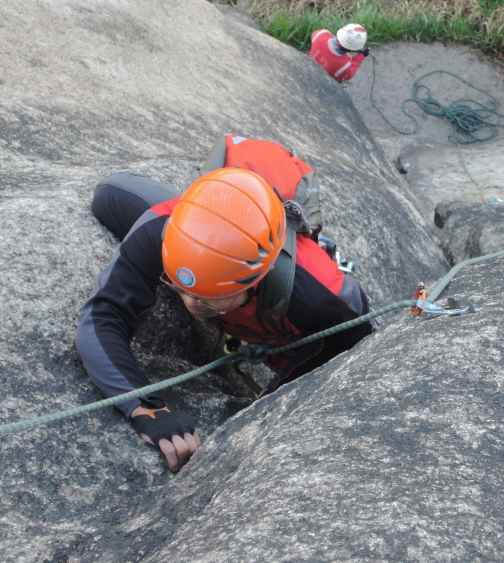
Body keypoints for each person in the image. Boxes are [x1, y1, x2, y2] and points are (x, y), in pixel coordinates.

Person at [75, 138, 373, 472]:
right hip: (210, 220)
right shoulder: (161, 228)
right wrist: (145, 406)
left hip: (291, 312)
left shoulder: (324, 300)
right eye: (179, 288)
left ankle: (321, 247)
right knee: (110, 193)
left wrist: (270, 399)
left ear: (257, 278)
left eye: (208, 298)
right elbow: (103, 317)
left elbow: (346, 351)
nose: (191, 304)